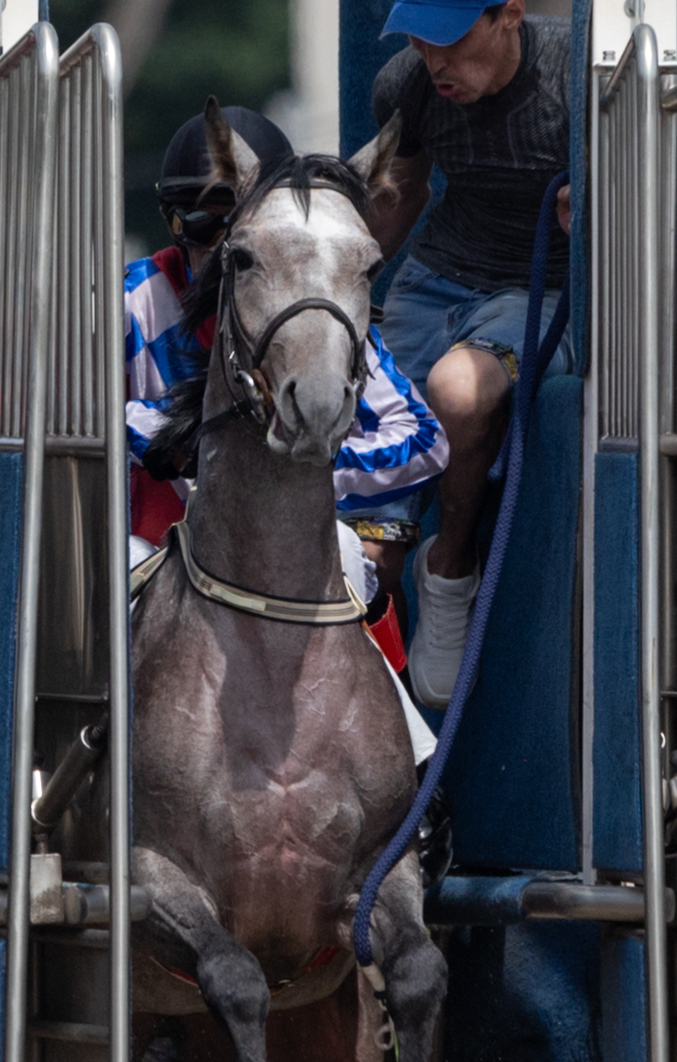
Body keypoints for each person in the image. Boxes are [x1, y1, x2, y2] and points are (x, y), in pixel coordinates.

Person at [123, 100, 450, 672]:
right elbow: (66, 411)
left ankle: (408, 739)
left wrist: (311, 457)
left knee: (351, 554)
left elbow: (425, 437)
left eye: (238, 225)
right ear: (171, 222)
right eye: (200, 223)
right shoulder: (127, 301)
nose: (220, 248)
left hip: (287, 546)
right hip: (153, 551)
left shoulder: (314, 318)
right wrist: (173, 437)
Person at [354, 0, 572, 701]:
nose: (435, 58)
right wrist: (353, 297)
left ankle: (448, 573)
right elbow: (404, 192)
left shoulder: (574, 76)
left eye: (451, 38)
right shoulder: (407, 85)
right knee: (355, 411)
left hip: (542, 286)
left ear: (509, 14)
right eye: (420, 36)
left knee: (457, 390)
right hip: (440, 276)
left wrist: (608, 208)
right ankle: (360, 602)